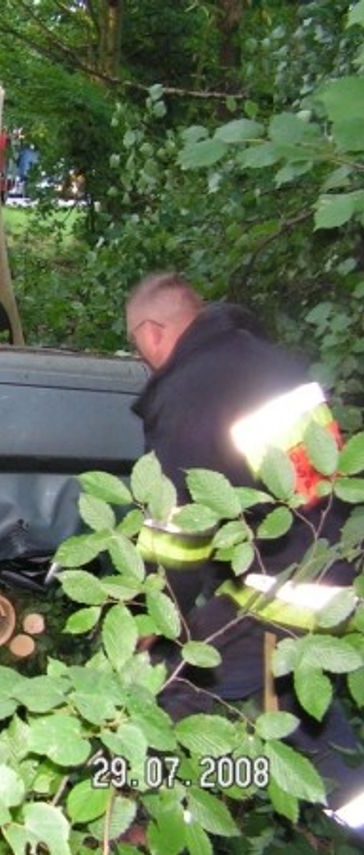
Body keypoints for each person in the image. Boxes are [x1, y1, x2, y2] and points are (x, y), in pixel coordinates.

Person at [126, 272, 364, 833]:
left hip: (282, 589)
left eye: (136, 344)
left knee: (165, 693)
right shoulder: (268, 364)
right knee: (303, 708)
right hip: (335, 567)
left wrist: (154, 617)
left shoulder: (190, 392)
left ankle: (134, 828)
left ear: (154, 331)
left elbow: (177, 530)